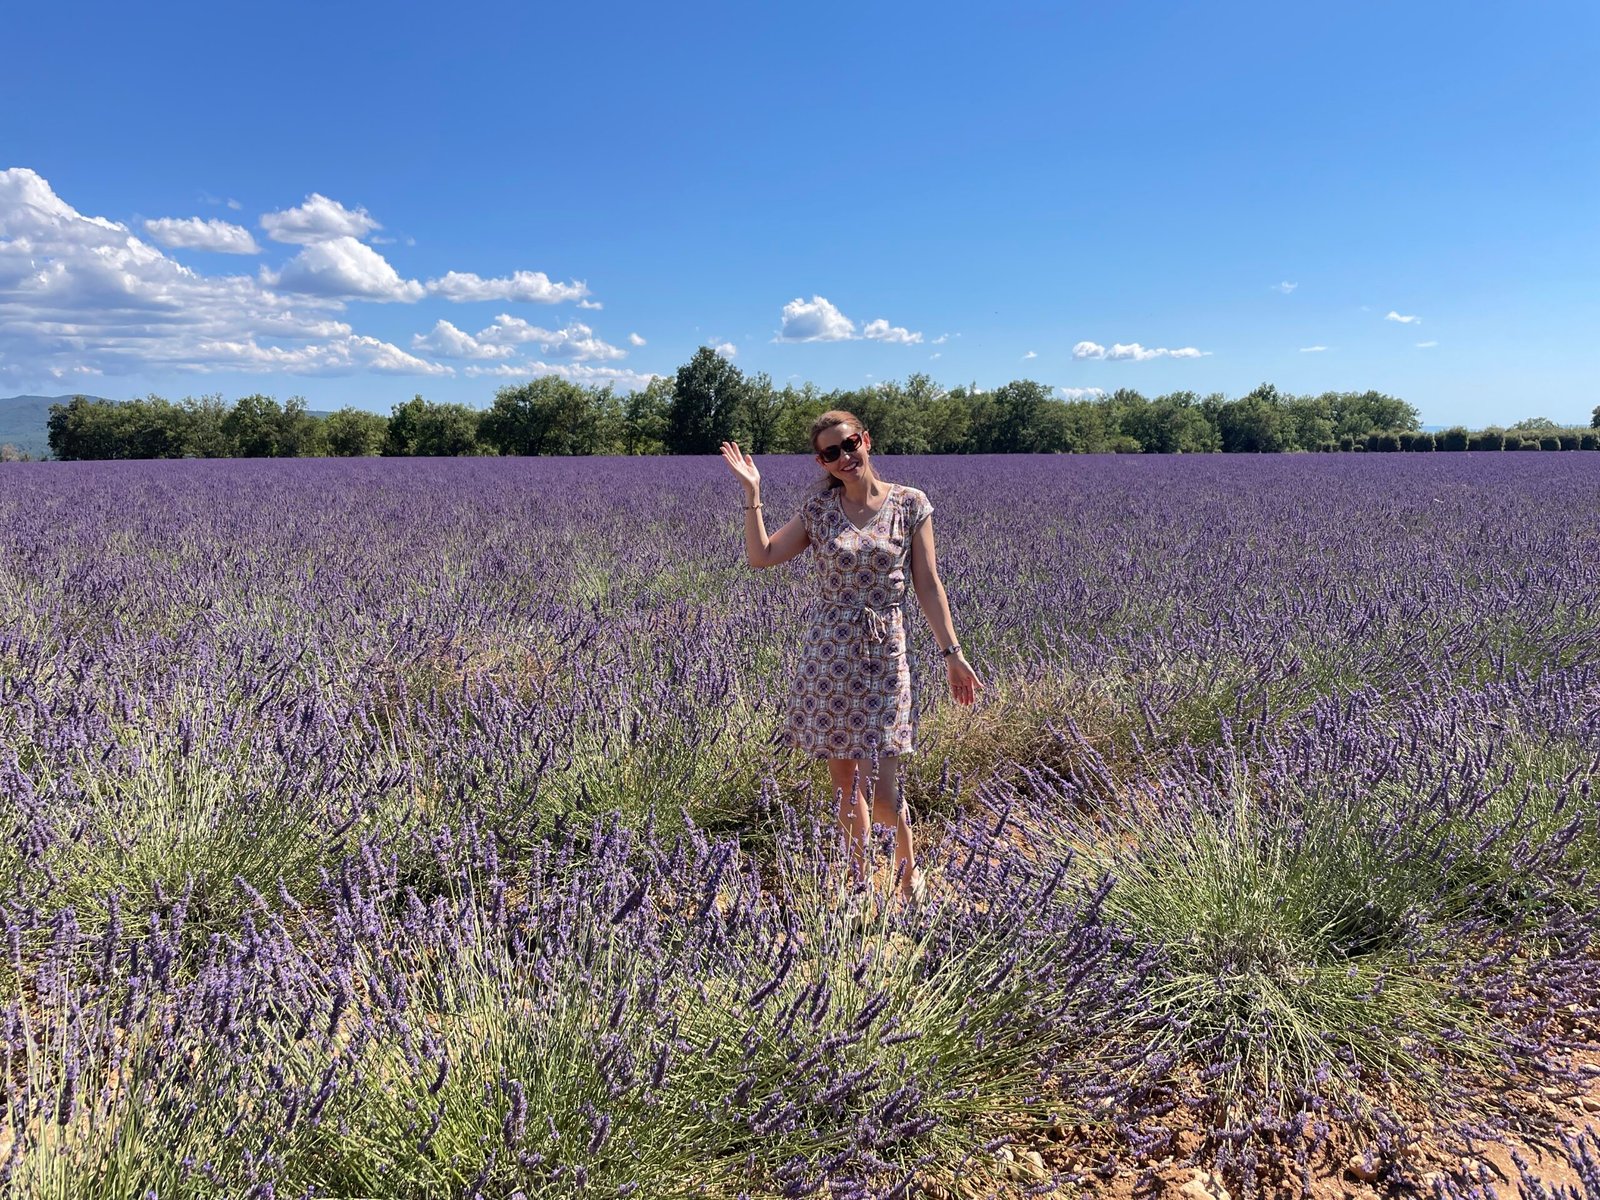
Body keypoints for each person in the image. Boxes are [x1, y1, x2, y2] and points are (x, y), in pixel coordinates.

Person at [719, 411, 983, 909]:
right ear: (822, 461)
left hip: (885, 653)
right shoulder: (819, 510)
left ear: (867, 439)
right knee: (846, 783)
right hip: (829, 655)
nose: (844, 458)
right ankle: (858, 884)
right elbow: (763, 557)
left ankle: (909, 872)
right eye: (830, 453)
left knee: (883, 788)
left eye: (850, 444)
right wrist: (752, 493)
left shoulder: (911, 504)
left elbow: (927, 584)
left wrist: (953, 653)